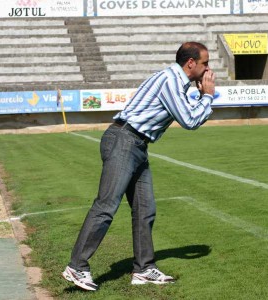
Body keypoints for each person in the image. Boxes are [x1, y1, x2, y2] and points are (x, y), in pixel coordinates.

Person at [62, 41, 215, 291]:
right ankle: (77, 267)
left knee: (145, 209)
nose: (208, 69)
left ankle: (143, 269)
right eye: (205, 63)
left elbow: (191, 114)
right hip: (124, 140)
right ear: (191, 63)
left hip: (136, 144)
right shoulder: (170, 80)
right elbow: (189, 121)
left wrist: (201, 96)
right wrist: (208, 95)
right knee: (106, 206)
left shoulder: (177, 83)